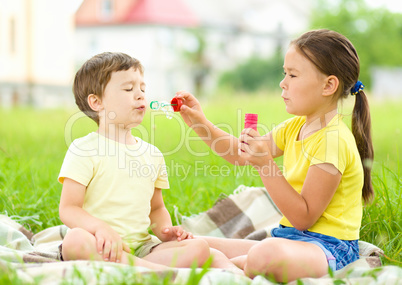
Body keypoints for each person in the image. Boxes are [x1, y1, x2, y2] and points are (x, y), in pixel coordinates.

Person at [175, 29, 374, 282]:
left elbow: (303, 217)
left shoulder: (332, 141)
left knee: (265, 253)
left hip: (329, 249)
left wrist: (266, 166)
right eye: (284, 73)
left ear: (329, 85)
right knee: (196, 242)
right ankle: (232, 264)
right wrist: (199, 123)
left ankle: (233, 267)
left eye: (293, 75)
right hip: (289, 239)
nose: (283, 83)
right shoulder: (296, 127)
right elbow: (239, 154)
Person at [58, 52, 242, 273]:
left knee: (200, 247)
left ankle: (139, 268)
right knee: (74, 241)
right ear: (96, 102)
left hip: (145, 249)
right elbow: (69, 208)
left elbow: (156, 207)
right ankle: (151, 271)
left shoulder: (152, 154)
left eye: (142, 89)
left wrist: (165, 231)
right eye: (128, 89)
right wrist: (100, 229)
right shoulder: (84, 149)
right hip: (100, 245)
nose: (140, 96)